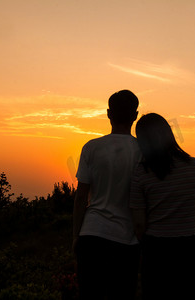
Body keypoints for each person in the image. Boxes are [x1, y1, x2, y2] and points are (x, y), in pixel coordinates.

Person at [130, 113, 195, 300]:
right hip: (190, 247)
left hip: (156, 249)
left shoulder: (141, 174)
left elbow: (139, 225)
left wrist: (146, 249)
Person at [73, 90, 141, 300]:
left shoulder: (91, 148)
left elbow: (80, 197)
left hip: (91, 235)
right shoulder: (143, 150)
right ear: (135, 115)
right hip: (127, 240)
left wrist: (75, 236)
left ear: (108, 113)